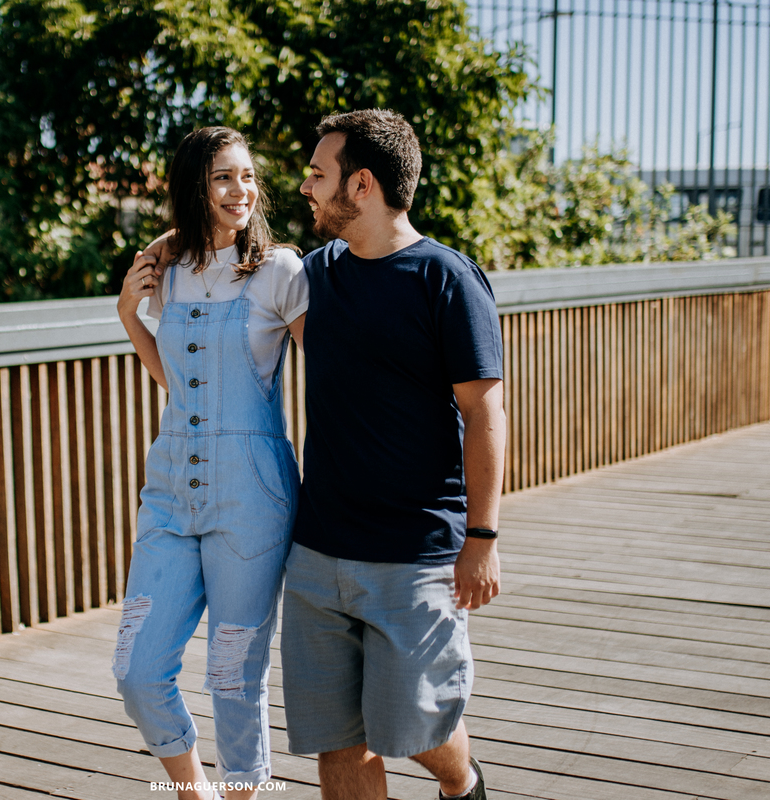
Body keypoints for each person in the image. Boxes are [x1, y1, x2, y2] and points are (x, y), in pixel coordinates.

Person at [280, 109, 506, 800]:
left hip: (416, 557)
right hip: (318, 553)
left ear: (364, 184)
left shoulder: (446, 279)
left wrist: (482, 538)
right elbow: (230, 268)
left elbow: (484, 413)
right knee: (337, 743)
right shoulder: (313, 276)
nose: (307, 188)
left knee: (419, 729)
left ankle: (463, 783)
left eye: (320, 175)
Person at [113, 126, 308, 800]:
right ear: (195, 185)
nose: (242, 190)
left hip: (252, 494)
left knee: (233, 674)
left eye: (248, 176)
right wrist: (129, 315)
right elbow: (177, 379)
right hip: (169, 488)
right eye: (225, 176)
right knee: (137, 669)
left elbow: (335, 372)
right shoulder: (167, 268)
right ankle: (192, 791)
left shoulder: (282, 270)